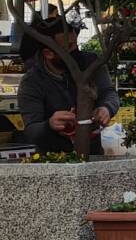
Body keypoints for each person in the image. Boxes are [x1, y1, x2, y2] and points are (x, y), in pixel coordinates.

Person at [17, 18, 119, 154]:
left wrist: (106, 108)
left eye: (75, 44)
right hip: (53, 159)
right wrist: (49, 125)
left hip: (92, 153)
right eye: (69, 47)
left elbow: (109, 93)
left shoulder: (91, 64)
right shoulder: (31, 82)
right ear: (48, 53)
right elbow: (31, 131)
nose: (75, 50)